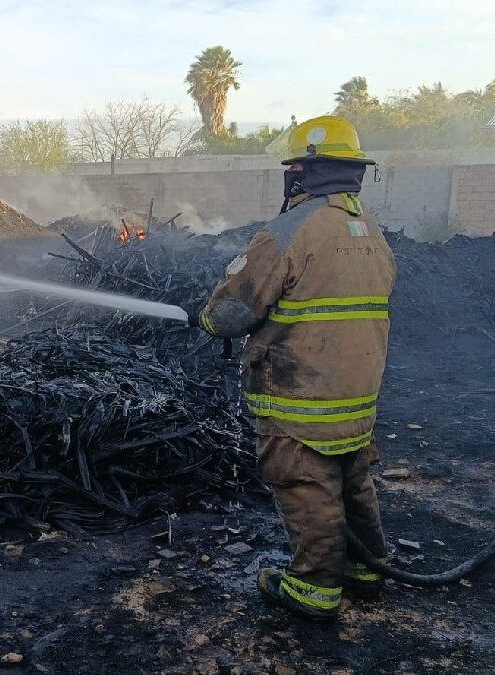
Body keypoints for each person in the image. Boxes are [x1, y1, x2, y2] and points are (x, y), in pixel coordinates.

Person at [192, 115, 396, 621]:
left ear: (305, 170)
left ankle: (314, 589)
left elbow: (230, 315)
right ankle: (367, 568)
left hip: (299, 392)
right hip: (357, 389)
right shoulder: (369, 231)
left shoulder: (289, 232)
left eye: (294, 168)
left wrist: (207, 318)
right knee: (352, 476)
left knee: (306, 481)